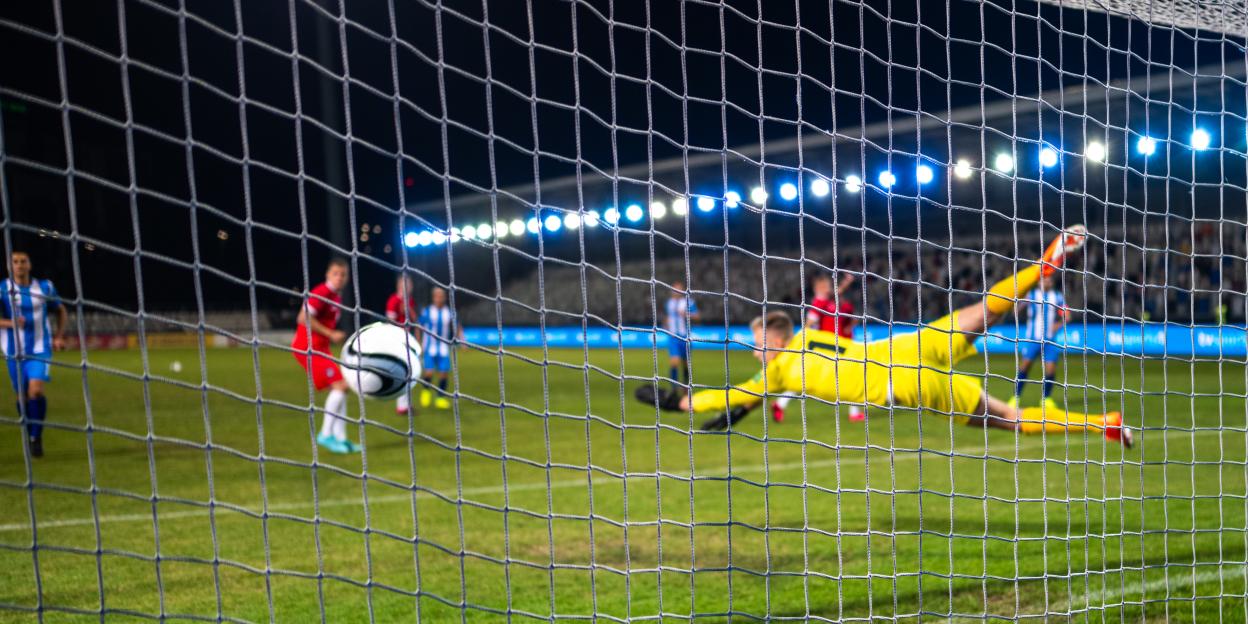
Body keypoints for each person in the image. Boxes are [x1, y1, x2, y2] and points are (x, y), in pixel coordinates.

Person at [636, 225, 1134, 448]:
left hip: (907, 384)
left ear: (774, 341)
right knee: (981, 312)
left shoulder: (783, 367)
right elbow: (746, 396)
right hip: (902, 348)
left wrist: (675, 404)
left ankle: (1102, 425)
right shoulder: (807, 336)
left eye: (756, 343)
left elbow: (730, 393)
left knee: (1011, 419)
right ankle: (1043, 265)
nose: (754, 351)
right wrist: (742, 410)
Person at [771, 271, 863, 423]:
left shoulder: (840, 304)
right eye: (824, 286)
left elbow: (850, 318)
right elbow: (809, 322)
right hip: (827, 347)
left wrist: (849, 327)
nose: (828, 288)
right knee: (847, 376)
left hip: (842, 346)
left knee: (843, 376)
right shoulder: (820, 302)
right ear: (818, 288)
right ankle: (854, 412)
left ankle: (780, 403)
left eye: (828, 285)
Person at [0, 252, 67, 458]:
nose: (19, 265)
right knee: (22, 395)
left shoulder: (45, 287)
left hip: (40, 347)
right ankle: (30, 433)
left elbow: (61, 310)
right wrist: (11, 324)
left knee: (35, 391)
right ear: (10, 266)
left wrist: (58, 336)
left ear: (30, 265)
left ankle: (36, 438)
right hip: (14, 350)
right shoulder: (3, 288)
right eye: (15, 262)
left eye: (23, 261)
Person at [292, 258, 358, 454]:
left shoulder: (336, 297)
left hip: (321, 348)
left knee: (342, 388)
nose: (339, 278)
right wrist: (331, 334)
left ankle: (341, 439)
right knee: (341, 386)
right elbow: (302, 317)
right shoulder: (322, 292)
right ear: (328, 275)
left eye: (343, 274)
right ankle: (326, 434)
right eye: (335, 274)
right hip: (308, 348)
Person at [1009, 275, 1067, 412]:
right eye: (1045, 280)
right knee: (1024, 367)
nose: (1047, 282)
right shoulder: (1032, 294)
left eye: (1049, 280)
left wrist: (1058, 325)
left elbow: (1067, 315)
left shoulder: (1058, 297)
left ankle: (1046, 399)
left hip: (1050, 340)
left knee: (1051, 369)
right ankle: (1015, 397)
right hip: (1032, 339)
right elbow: (1015, 311)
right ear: (1039, 282)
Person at [418, 286, 461, 409]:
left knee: (443, 374)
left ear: (445, 298)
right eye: (437, 296)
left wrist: (460, 340)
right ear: (434, 298)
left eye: (441, 296)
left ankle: (440, 398)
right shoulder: (427, 311)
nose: (439, 298)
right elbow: (418, 326)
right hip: (429, 347)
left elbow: (457, 325)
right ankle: (425, 393)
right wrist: (419, 341)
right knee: (429, 372)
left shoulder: (450, 312)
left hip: (443, 347)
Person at [385, 274, 418, 415]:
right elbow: (389, 322)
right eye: (405, 284)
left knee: (409, 372)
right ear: (399, 285)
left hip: (408, 339)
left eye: (409, 284)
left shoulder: (410, 301)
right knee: (405, 371)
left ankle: (406, 405)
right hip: (397, 340)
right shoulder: (393, 300)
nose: (408, 287)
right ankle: (402, 406)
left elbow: (415, 319)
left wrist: (408, 309)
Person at [664, 280, 700, 388]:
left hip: (685, 337)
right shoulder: (669, 303)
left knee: (685, 364)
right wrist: (665, 324)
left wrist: (686, 314)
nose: (676, 292)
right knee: (674, 361)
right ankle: (674, 388)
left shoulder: (689, 302)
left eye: (679, 289)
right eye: (675, 290)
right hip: (673, 337)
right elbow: (668, 316)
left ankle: (685, 386)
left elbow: (697, 317)